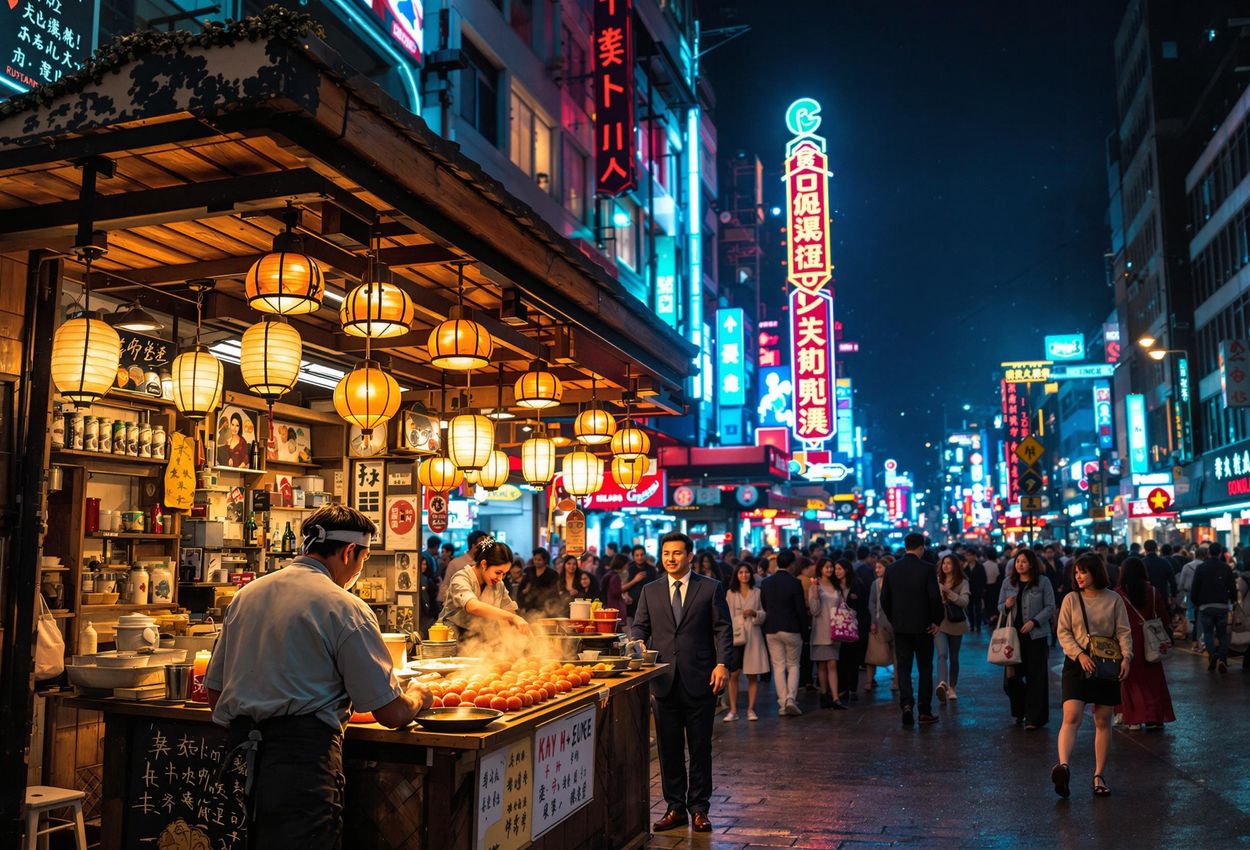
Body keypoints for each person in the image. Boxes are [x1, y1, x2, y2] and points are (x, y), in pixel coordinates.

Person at [205, 505, 432, 847]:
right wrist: (418, 695)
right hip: (303, 770)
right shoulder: (345, 607)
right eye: (363, 559)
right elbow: (390, 713)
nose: (359, 570)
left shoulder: (246, 595)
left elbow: (215, 694)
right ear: (349, 552)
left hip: (240, 765)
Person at [629, 532, 732, 834]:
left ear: (689, 556)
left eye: (676, 553)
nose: (670, 558)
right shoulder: (650, 590)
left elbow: (723, 629)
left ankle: (699, 808)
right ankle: (675, 808)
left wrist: (723, 664)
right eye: (666, 553)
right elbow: (640, 626)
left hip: (701, 678)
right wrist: (638, 643)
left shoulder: (709, 587)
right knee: (669, 749)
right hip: (664, 680)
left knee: (699, 748)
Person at [1053, 553, 1132, 799]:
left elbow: (1123, 631)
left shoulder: (1114, 599)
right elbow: (1063, 632)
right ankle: (1063, 767)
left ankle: (1099, 775)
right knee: (1071, 716)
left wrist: (1127, 657)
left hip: (1106, 663)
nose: (1078, 577)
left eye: (1083, 572)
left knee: (1103, 720)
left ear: (1095, 572)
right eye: (1076, 573)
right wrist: (1079, 655)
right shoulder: (1071, 599)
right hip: (1076, 663)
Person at [880, 532, 943, 727]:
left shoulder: (891, 569)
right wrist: (937, 621)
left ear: (905, 546)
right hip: (924, 627)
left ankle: (906, 705)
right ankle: (924, 710)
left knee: (904, 668)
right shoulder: (928, 569)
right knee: (925, 668)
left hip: (901, 627)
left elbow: (884, 598)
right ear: (921, 547)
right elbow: (934, 598)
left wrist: (894, 618)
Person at [1114, 557, 1175, 730]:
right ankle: (1154, 717)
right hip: (1150, 641)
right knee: (1153, 680)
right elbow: (1164, 617)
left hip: (1127, 640)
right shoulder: (1153, 592)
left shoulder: (1118, 594)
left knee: (1130, 680)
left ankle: (1134, 718)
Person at [998, 548, 1055, 729]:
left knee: (1036, 678)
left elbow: (1050, 607)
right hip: (1013, 637)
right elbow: (1000, 606)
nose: (1020, 564)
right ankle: (1021, 710)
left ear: (1031, 564)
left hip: (1036, 636)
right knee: (1010, 679)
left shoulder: (1043, 582)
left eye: (1023, 561)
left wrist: (1034, 621)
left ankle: (1034, 718)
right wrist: (1006, 605)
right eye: (1017, 561)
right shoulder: (1008, 582)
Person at [440, 537, 531, 640]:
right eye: (498, 572)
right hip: (452, 635)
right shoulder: (461, 578)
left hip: (478, 636)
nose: (500, 578)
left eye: (504, 574)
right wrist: (513, 617)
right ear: (484, 564)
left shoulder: (498, 584)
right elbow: (473, 607)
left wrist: (524, 632)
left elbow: (509, 610)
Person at [760, 549, 808, 716]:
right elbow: (801, 610)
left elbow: (764, 605)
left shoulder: (766, 583)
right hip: (792, 628)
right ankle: (790, 699)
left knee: (778, 666)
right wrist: (805, 632)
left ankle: (782, 704)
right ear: (792, 564)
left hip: (771, 628)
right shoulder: (795, 583)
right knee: (793, 665)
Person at [725, 564, 769, 721]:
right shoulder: (731, 593)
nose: (744, 575)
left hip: (753, 636)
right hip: (736, 636)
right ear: (736, 575)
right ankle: (733, 710)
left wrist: (755, 613)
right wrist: (739, 618)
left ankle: (751, 709)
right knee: (733, 674)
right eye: (741, 572)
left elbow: (764, 614)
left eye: (747, 572)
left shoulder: (757, 592)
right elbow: (726, 616)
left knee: (752, 674)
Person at [1191, 542, 1237, 672]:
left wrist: (1197, 603)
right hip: (1222, 605)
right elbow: (1232, 588)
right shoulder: (1226, 568)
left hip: (1205, 606)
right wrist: (1233, 600)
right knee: (1222, 634)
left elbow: (1195, 588)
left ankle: (1212, 654)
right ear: (1220, 553)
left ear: (1208, 553)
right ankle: (1223, 660)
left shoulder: (1201, 568)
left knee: (1208, 632)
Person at [806, 559, 845, 710]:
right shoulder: (815, 586)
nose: (829, 570)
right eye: (826, 567)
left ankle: (835, 698)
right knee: (822, 665)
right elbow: (814, 611)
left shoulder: (836, 586)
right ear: (820, 569)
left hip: (835, 630)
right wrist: (815, 594)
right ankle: (824, 694)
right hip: (821, 630)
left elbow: (841, 606)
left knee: (833, 663)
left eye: (831, 567)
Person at [934, 553, 970, 705]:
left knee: (954, 657)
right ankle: (943, 684)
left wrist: (948, 592)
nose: (945, 566)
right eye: (944, 563)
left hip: (956, 623)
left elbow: (964, 602)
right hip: (939, 623)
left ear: (955, 565)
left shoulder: (963, 582)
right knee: (942, 654)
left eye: (949, 563)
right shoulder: (936, 581)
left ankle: (952, 687)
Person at [832, 559, 869, 704]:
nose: (837, 571)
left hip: (853, 627)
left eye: (839, 569)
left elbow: (863, 606)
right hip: (837, 627)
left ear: (846, 569)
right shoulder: (834, 585)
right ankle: (842, 689)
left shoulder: (857, 584)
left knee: (853, 659)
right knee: (840, 659)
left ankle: (853, 688)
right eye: (835, 569)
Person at [866, 556, 896, 691]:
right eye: (876, 568)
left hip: (893, 623)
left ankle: (896, 681)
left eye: (880, 567)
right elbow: (872, 603)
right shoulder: (875, 583)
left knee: (896, 653)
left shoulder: (895, 582)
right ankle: (868, 681)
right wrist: (873, 621)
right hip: (878, 622)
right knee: (873, 652)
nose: (877, 570)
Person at [436, 529, 486, 606]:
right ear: (473, 546)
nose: (485, 549)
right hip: (459, 607)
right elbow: (446, 585)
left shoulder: (486, 563)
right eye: (482, 546)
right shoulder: (456, 563)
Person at [517, 546, 560, 616]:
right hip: (527, 607)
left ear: (545, 560)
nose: (536, 562)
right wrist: (521, 606)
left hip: (544, 609)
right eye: (535, 559)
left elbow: (554, 593)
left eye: (539, 560)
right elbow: (520, 589)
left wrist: (548, 610)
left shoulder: (552, 574)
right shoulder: (528, 571)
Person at [622, 545, 656, 623]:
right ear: (633, 557)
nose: (640, 557)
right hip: (631, 608)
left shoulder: (651, 569)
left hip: (648, 607)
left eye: (642, 555)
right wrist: (635, 580)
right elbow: (621, 588)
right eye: (637, 555)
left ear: (645, 555)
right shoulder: (628, 569)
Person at [1142, 539, 1177, 610]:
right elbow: (1172, 581)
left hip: (1145, 596)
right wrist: (1173, 595)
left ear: (1145, 549)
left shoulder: (1141, 563)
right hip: (1162, 595)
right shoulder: (1164, 562)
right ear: (1156, 548)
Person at [964, 549, 986, 633]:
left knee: (978, 610)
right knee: (969, 610)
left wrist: (982, 590)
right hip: (968, 591)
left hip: (977, 591)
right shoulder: (965, 567)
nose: (968, 557)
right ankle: (972, 625)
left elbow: (983, 579)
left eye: (970, 555)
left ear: (974, 556)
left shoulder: (980, 566)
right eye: (967, 555)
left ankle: (978, 626)